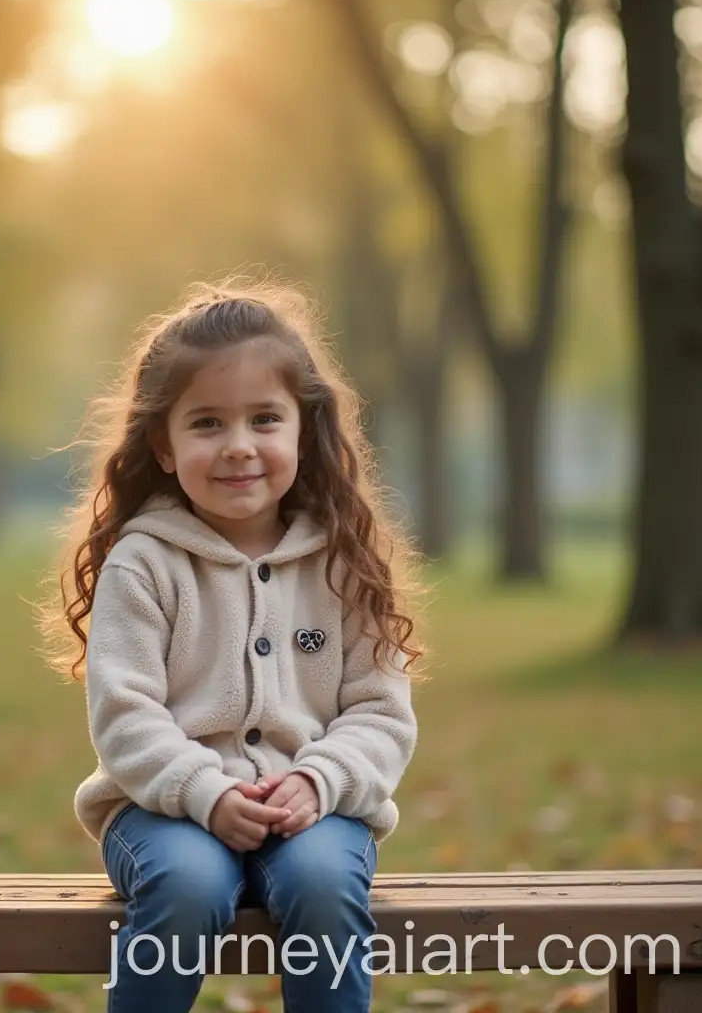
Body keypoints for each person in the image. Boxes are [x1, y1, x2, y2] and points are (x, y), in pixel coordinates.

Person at [42, 280, 424, 1013]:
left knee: (319, 883)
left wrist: (319, 781)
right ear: (164, 443)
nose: (239, 447)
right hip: (164, 811)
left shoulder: (343, 560)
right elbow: (126, 716)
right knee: (188, 885)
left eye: (265, 419)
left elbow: (381, 711)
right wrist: (207, 793)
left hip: (315, 813)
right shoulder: (144, 563)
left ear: (303, 430)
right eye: (208, 423)